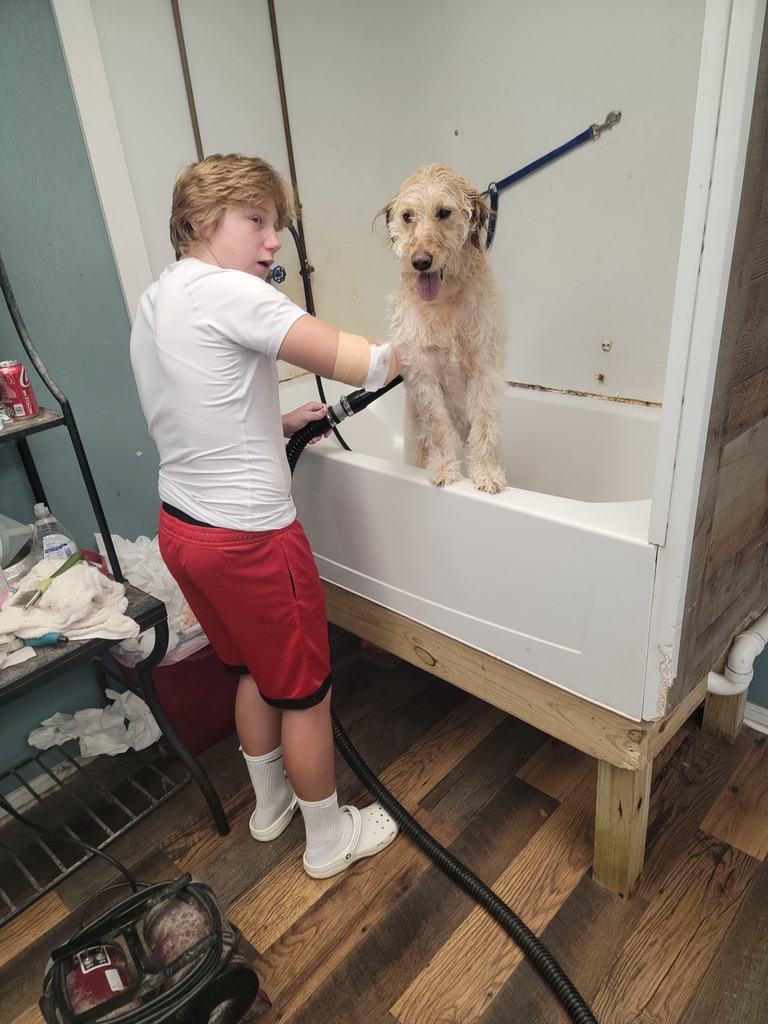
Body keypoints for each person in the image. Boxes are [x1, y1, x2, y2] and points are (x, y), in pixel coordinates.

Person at [130, 153, 401, 878]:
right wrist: (429, 328)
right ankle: (328, 841)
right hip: (251, 541)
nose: (274, 241)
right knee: (308, 695)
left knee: (252, 673)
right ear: (198, 223)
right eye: (256, 220)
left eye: (275, 224)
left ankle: (271, 806)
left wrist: (274, 423)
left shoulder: (160, 298)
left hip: (184, 528)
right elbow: (370, 364)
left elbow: (189, 405)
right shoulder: (233, 294)